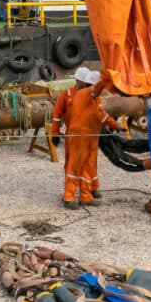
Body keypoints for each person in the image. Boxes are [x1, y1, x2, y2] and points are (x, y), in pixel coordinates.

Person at [49, 66, 121, 209]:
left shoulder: (94, 98)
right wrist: (55, 133)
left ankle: (86, 194)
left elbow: (101, 114)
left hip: (91, 136)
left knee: (88, 166)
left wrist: (117, 126)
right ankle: (69, 197)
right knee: (73, 166)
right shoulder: (81, 95)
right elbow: (57, 115)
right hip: (78, 136)